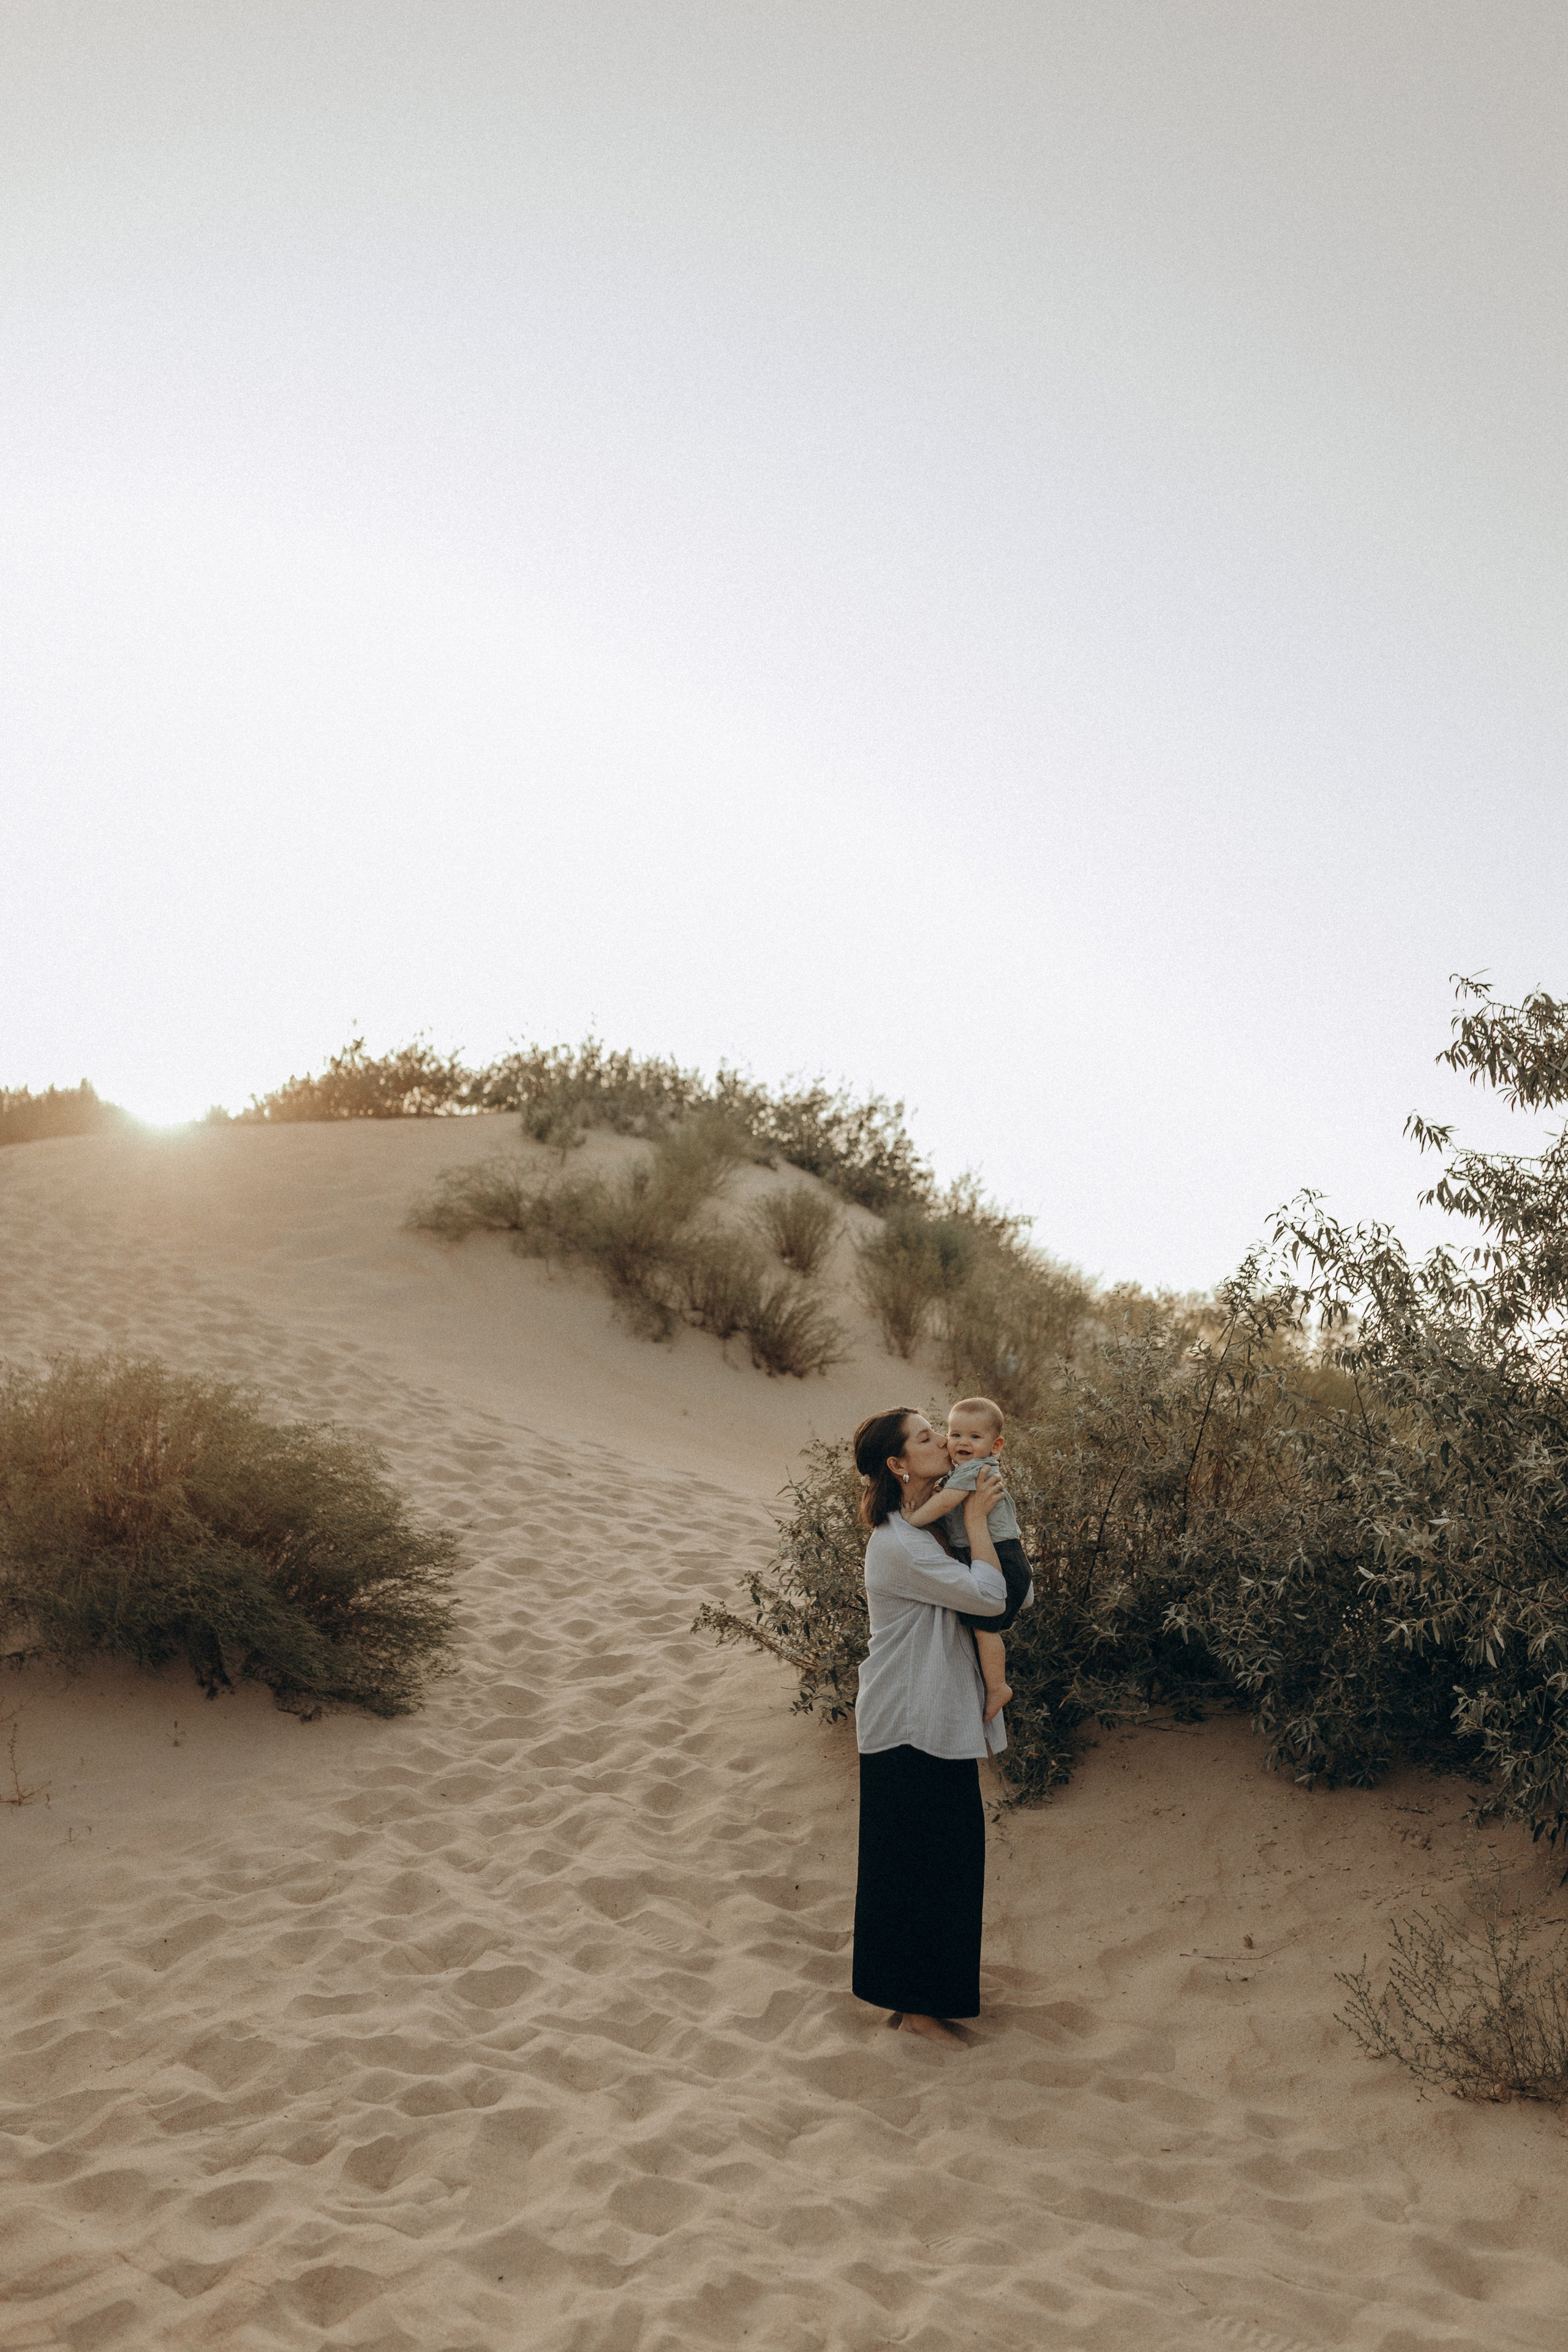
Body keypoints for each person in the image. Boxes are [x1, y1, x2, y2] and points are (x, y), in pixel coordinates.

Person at [850, 1406, 1031, 2048]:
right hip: (909, 1719)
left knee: (943, 1864)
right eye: (925, 1437)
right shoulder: (899, 1542)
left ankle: (920, 2002)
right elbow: (990, 1599)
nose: (941, 1442)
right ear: (898, 1464)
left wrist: (975, 1526)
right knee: (920, 1867)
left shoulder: (931, 1532)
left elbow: (1005, 1593)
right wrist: (980, 1521)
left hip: (931, 1716)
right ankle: (918, 2013)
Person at [904, 1396, 1031, 1724]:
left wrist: (914, 1519)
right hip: (990, 1554)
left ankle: (998, 1687)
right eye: (956, 1434)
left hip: (1002, 1556)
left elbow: (946, 1503)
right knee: (981, 1630)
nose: (962, 1442)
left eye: (975, 1437)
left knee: (985, 1631)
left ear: (996, 1445)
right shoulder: (963, 1472)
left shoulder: (975, 1469)